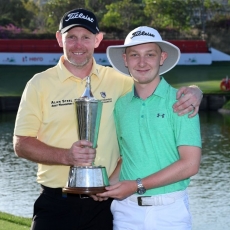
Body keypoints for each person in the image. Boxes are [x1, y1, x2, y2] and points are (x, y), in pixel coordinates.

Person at [13, 8, 202, 230]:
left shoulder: (118, 81)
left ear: (98, 39)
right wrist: (67, 156)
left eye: (86, 37)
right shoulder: (39, 84)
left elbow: (149, 81)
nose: (78, 45)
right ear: (58, 38)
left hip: (105, 202)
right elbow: (21, 144)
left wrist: (195, 91)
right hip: (57, 202)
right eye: (71, 37)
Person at [97, 26, 202, 230]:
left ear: (162, 58)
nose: (142, 62)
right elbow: (128, 157)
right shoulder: (121, 105)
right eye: (134, 55)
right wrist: (107, 187)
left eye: (150, 55)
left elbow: (190, 164)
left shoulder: (182, 101)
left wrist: (137, 185)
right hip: (125, 212)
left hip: (169, 213)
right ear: (125, 60)